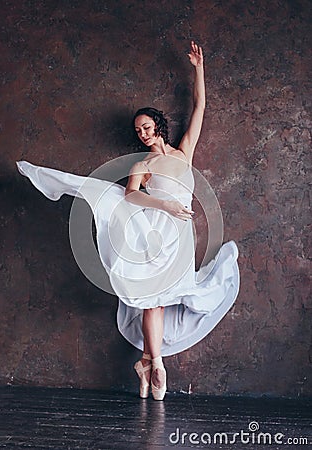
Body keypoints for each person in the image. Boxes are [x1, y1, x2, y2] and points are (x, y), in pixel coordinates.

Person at [16, 41, 239, 401]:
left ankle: (146, 362)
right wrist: (165, 206)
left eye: (147, 127)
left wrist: (199, 67)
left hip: (181, 239)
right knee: (154, 301)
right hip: (156, 232)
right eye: (138, 131)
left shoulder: (184, 153)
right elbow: (131, 195)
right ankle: (158, 364)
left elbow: (200, 106)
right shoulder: (142, 165)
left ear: (159, 126)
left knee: (162, 301)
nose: (143, 134)